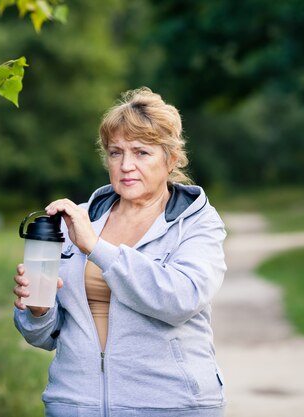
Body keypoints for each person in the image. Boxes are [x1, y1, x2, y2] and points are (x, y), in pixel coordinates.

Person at [13, 87, 227, 417]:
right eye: (116, 153)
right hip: (76, 404)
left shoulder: (196, 222)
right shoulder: (79, 221)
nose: (126, 165)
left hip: (169, 405)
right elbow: (46, 336)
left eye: (141, 152)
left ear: (171, 159)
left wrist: (98, 249)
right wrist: (38, 311)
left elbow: (179, 299)